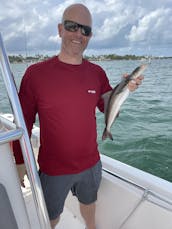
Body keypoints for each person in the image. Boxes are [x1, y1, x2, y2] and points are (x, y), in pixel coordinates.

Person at [13, 3, 144, 229]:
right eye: (72, 26)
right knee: (51, 218)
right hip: (53, 170)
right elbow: (22, 122)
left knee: (89, 206)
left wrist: (125, 90)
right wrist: (19, 161)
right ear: (59, 29)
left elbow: (110, 109)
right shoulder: (35, 74)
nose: (78, 34)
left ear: (90, 36)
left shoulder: (97, 73)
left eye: (85, 30)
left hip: (91, 164)